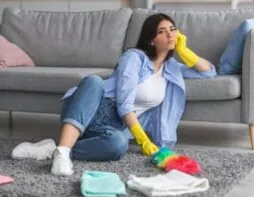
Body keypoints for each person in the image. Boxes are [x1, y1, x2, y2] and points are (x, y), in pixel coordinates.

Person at [11, 13, 216, 176]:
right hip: (92, 108)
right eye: (162, 32)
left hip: (116, 126)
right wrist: (142, 139)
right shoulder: (134, 58)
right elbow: (125, 104)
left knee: (118, 145)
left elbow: (208, 72)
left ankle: (54, 149)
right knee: (93, 81)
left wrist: (185, 51)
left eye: (173, 29)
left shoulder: (172, 68)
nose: (170, 34)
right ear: (152, 40)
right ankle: (63, 154)